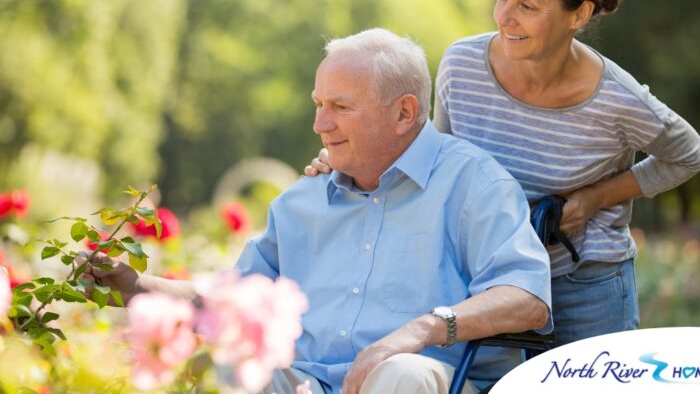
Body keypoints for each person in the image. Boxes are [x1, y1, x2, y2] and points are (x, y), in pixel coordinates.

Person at [89, 28, 552, 394]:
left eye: (340, 107)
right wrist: (138, 287)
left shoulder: (473, 183)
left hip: (426, 383)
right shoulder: (300, 201)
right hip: (306, 384)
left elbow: (527, 297)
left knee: (401, 374)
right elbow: (233, 299)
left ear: (404, 113)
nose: (320, 124)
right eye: (318, 105)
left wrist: (423, 329)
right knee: (222, 369)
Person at [306, 0, 700, 348]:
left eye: (527, 6)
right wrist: (349, 160)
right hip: (486, 283)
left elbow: (689, 154)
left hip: (583, 282)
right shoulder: (462, 66)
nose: (504, 17)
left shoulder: (617, 98)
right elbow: (437, 162)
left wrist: (595, 198)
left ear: (578, 14)